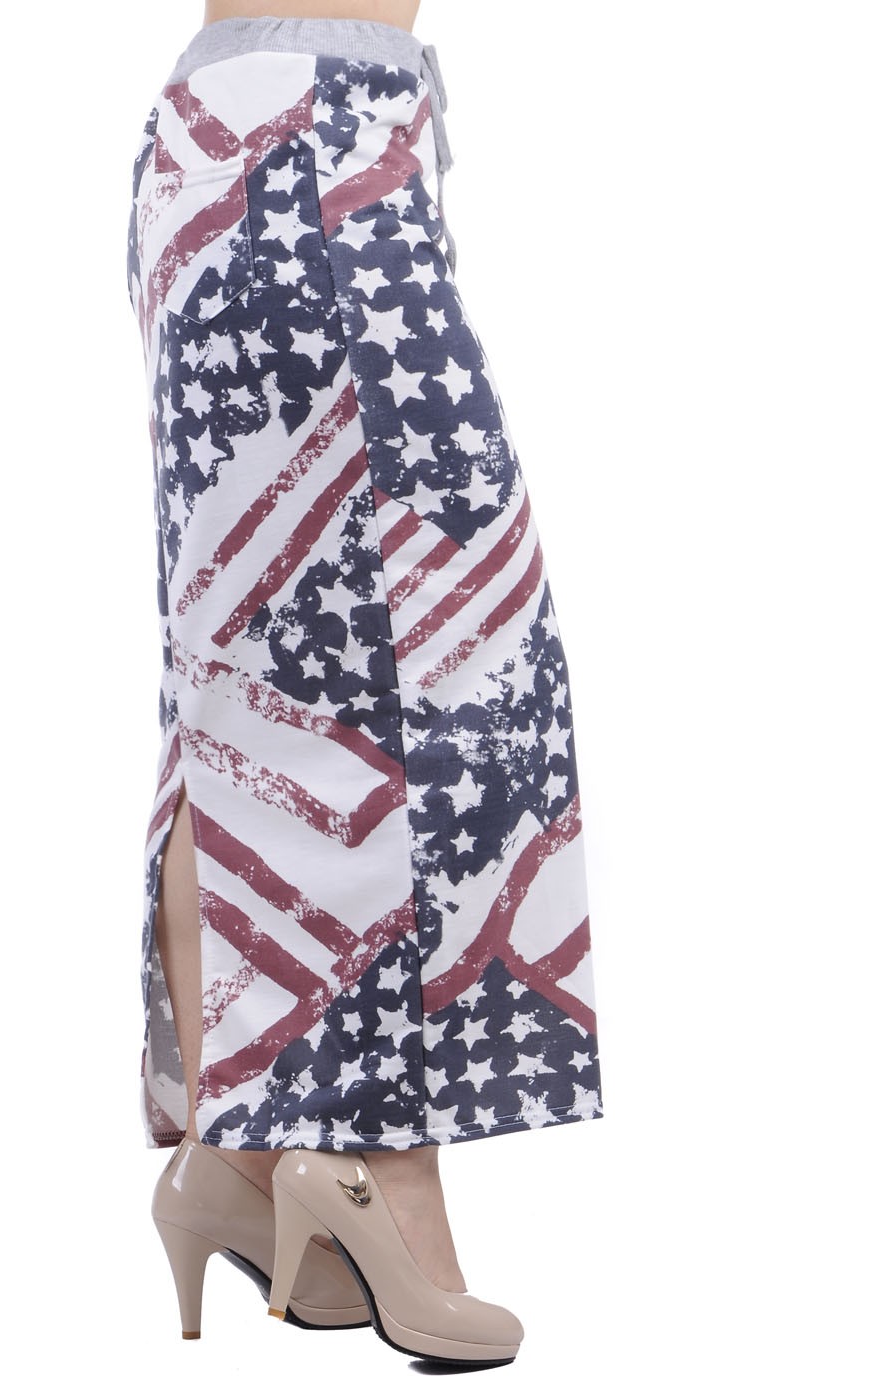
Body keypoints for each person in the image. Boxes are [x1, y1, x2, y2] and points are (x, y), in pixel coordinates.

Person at [126, 0, 604, 1366]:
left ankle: (237, 1145)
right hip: (311, 150)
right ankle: (385, 1178)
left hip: (253, 149)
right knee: (416, 677)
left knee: (258, 678)